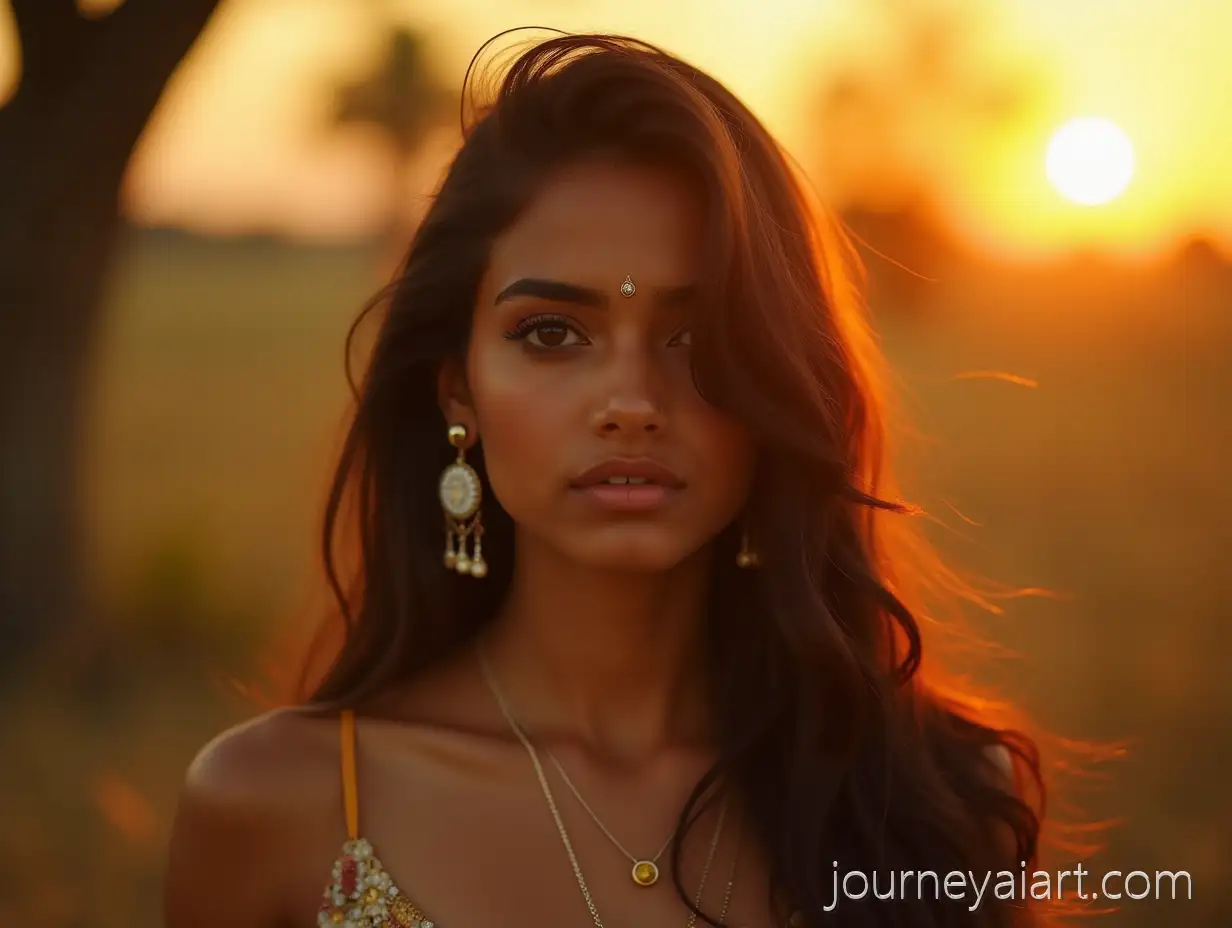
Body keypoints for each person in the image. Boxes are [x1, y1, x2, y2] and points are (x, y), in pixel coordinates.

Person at [163, 32, 1045, 928]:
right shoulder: (279, 807)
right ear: (457, 385)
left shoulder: (938, 801)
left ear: (781, 381)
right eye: (551, 333)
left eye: (700, 340)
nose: (631, 403)